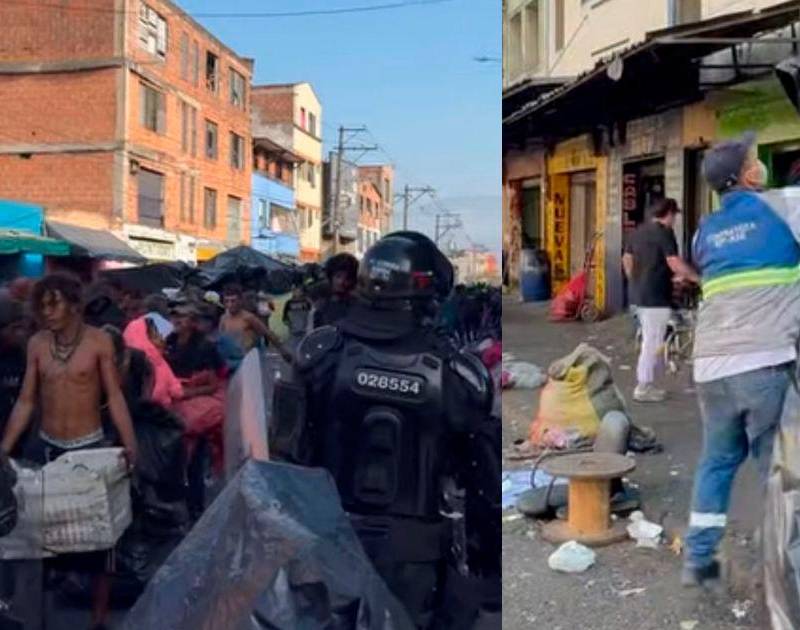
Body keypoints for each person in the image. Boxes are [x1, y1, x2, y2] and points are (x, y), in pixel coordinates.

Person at [272, 232, 500, 629]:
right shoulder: (458, 375)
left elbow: (286, 454)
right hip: (415, 549)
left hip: (328, 537)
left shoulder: (320, 353)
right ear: (429, 293)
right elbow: (481, 477)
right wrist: (487, 561)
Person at [682, 132, 800, 588]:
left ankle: (699, 560)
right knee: (780, 468)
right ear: (750, 174)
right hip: (764, 363)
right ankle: (785, 571)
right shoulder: (783, 207)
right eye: (756, 160)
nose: (761, 166)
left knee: (717, 461)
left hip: (711, 366)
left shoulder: (704, 231)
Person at [0, 273, 138, 630]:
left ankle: (98, 620)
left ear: (75, 304)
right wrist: (4, 447)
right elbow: (27, 401)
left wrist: (129, 443)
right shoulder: (36, 345)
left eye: (54, 302)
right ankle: (37, 617)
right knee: (40, 539)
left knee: (100, 542)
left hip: (90, 447)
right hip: (46, 448)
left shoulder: (98, 343)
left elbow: (115, 397)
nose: (47, 311)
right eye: (42, 304)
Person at [622, 198, 699, 402]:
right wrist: (696, 278)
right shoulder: (664, 233)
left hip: (637, 296)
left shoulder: (637, 232)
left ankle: (649, 380)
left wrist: (637, 279)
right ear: (669, 214)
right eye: (674, 216)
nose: (674, 220)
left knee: (650, 338)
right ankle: (644, 386)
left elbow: (627, 259)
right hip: (655, 297)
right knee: (653, 341)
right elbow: (673, 261)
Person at [166, 303, 227, 518]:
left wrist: (185, 393)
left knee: (194, 459)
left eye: (182, 316)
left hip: (196, 410)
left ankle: (196, 506)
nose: (177, 320)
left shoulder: (205, 347)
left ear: (193, 321)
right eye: (174, 315)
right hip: (173, 406)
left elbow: (212, 385)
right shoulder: (168, 343)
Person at [219, 284, 293, 362]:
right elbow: (221, 341)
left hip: (248, 360)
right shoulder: (223, 318)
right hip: (230, 360)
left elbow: (268, 334)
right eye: (227, 301)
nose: (230, 305)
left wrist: (283, 351)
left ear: (240, 301)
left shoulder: (248, 318)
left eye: (233, 301)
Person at [312, 253, 358, 328]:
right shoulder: (321, 304)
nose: (341, 282)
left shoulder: (358, 304)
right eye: (338, 276)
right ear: (331, 276)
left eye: (347, 278)